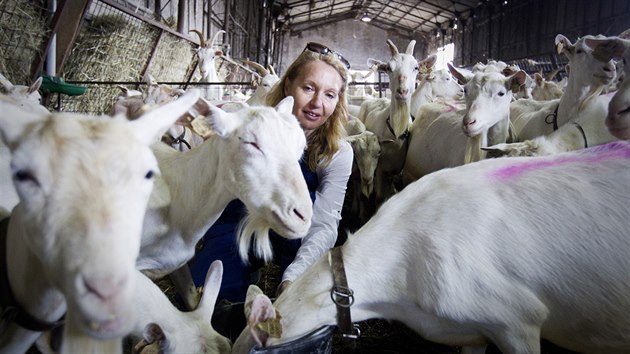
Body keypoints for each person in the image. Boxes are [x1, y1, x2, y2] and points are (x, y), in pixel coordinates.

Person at [188, 41, 354, 302]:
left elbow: (324, 221)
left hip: (296, 231)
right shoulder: (247, 129)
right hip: (238, 225)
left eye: (330, 95)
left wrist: (294, 276)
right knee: (209, 298)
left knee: (304, 304)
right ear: (288, 85)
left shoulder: (337, 153)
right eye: (308, 88)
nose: (316, 103)